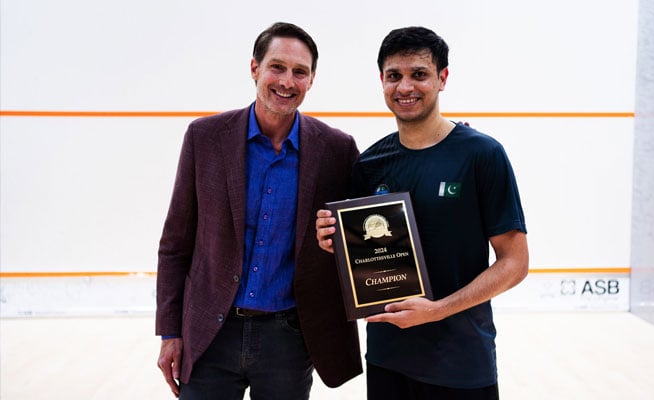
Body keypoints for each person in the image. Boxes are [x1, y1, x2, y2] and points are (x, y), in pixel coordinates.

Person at [316, 26, 529, 400]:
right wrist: (334, 241)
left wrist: (438, 310)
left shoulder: (482, 155)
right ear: (381, 80)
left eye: (419, 74)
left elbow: (515, 263)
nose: (405, 87)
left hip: (462, 363)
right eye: (394, 76)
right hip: (387, 359)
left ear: (442, 78)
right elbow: (363, 255)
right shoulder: (370, 163)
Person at [156, 22, 362, 400]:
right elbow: (175, 244)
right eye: (277, 67)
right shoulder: (204, 137)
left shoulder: (337, 149)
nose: (287, 81)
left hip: (289, 340)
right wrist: (170, 332)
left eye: (299, 72)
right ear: (255, 68)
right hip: (209, 336)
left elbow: (366, 220)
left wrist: (449, 142)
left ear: (312, 80)